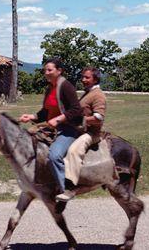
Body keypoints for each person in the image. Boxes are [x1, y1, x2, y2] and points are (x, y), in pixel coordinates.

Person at [19, 58, 83, 195]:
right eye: (45, 70)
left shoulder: (66, 86)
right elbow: (45, 112)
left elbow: (77, 110)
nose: (46, 73)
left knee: (54, 155)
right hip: (52, 128)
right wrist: (31, 117)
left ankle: (65, 188)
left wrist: (59, 119)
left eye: (50, 70)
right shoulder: (49, 88)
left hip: (68, 129)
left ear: (59, 71)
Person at [56, 67, 109, 202]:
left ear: (95, 79)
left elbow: (99, 117)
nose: (83, 80)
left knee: (74, 151)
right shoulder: (87, 93)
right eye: (83, 77)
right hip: (79, 130)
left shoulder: (98, 95)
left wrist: (82, 120)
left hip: (91, 133)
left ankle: (70, 188)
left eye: (87, 77)